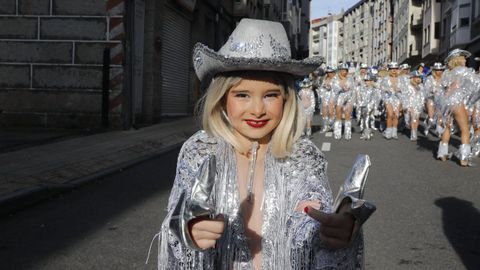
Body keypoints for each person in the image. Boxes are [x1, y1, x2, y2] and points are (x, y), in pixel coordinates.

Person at [155, 19, 369, 269]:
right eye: (242, 95)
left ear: (287, 99)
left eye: (270, 95)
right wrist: (187, 231)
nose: (257, 110)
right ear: (222, 99)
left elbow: (310, 214)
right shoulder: (200, 150)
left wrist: (336, 231)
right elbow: (179, 216)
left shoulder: (302, 155)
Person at [436, 49, 480, 166]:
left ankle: (442, 153)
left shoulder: (446, 73)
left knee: (447, 128)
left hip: (446, 103)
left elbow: (443, 90)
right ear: (457, 59)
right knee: (465, 129)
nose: (465, 60)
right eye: (463, 57)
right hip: (457, 102)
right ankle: (464, 158)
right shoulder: (463, 71)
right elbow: (477, 85)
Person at [380, 62, 403, 139]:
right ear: (389, 70)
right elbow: (382, 89)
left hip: (398, 98)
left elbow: (405, 90)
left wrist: (399, 89)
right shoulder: (385, 79)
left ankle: (394, 132)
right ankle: (388, 132)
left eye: (395, 69)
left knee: (396, 115)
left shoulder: (401, 79)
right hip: (388, 98)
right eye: (392, 69)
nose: (394, 70)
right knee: (390, 114)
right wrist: (388, 89)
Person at [333, 63, 355, 140]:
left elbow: (353, 89)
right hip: (339, 98)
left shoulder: (350, 78)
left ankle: (348, 134)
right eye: (343, 70)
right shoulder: (335, 78)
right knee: (338, 115)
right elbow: (334, 89)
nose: (345, 72)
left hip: (349, 99)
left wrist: (352, 101)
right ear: (340, 70)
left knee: (347, 115)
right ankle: (337, 133)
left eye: (346, 70)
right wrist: (341, 88)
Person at [402, 71, 425, 141]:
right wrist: (406, 106)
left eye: (419, 77)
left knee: (417, 119)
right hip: (410, 104)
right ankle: (413, 134)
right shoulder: (408, 86)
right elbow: (405, 96)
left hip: (418, 105)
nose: (418, 79)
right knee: (413, 118)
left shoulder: (421, 86)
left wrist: (422, 105)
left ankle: (414, 131)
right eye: (416, 77)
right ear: (412, 78)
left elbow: (423, 96)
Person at [423, 62, 445, 136]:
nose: (439, 71)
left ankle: (438, 130)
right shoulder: (430, 78)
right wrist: (432, 91)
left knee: (440, 115)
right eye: (437, 70)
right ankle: (427, 126)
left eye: (441, 70)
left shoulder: (445, 79)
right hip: (431, 98)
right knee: (431, 116)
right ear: (434, 71)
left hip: (441, 99)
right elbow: (426, 90)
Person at [317, 66, 336, 133]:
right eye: (328, 72)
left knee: (331, 112)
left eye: (330, 72)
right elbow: (320, 88)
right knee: (324, 112)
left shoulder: (335, 79)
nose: (329, 74)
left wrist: (331, 87)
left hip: (332, 97)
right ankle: (325, 127)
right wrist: (323, 89)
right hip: (325, 97)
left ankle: (332, 126)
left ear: (333, 72)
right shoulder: (324, 79)